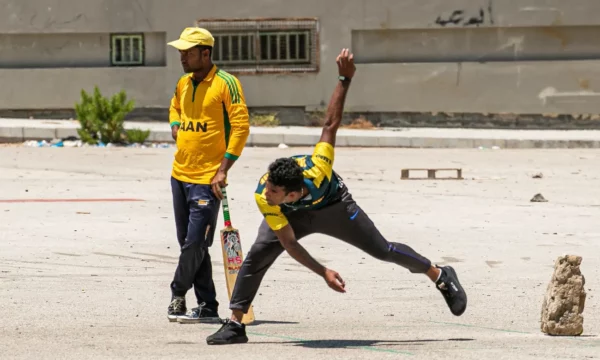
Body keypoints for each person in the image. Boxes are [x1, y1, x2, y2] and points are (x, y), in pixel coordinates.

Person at [205, 48, 467, 345]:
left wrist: (344, 78)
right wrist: (323, 272)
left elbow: (330, 124)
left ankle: (439, 274)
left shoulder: (319, 169)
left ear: (292, 192)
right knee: (257, 255)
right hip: (292, 215)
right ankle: (236, 324)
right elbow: (289, 243)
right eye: (268, 188)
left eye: (274, 191)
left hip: (334, 205)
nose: (266, 192)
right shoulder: (266, 195)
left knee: (382, 249)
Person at [166, 27, 250, 323]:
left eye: (188, 52)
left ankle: (177, 293)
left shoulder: (227, 83)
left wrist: (223, 169)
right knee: (190, 244)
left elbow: (241, 127)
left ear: (206, 53)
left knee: (195, 244)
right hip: (180, 175)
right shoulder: (183, 83)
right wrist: (175, 123)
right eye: (181, 52)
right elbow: (175, 106)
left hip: (208, 179)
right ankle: (207, 306)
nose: (182, 57)